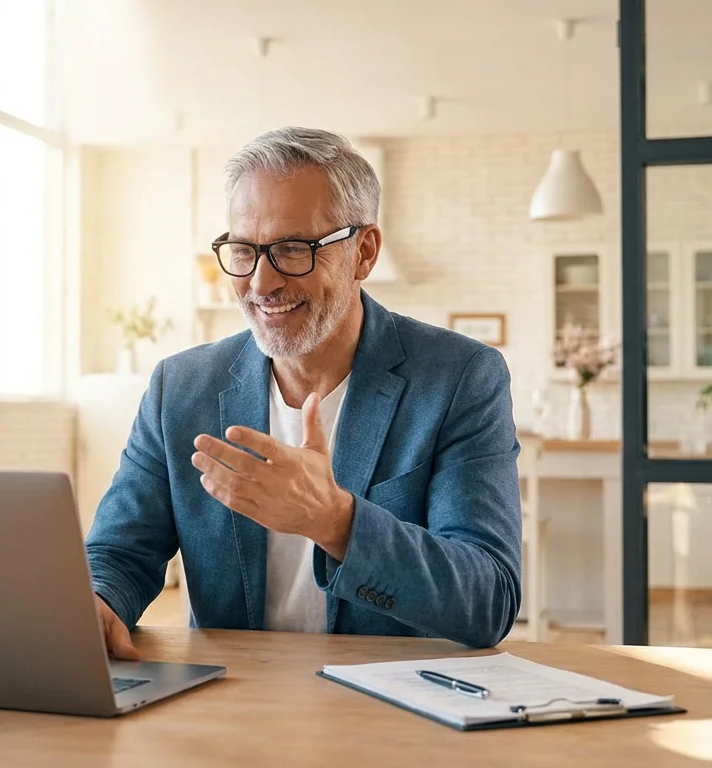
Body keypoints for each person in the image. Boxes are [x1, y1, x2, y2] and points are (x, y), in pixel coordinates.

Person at [84, 126, 523, 659]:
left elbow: (489, 600)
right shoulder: (180, 387)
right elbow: (119, 551)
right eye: (245, 250)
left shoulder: (459, 378)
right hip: (233, 705)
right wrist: (98, 600)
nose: (261, 284)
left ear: (364, 252)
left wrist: (335, 521)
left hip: (392, 713)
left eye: (294, 249)